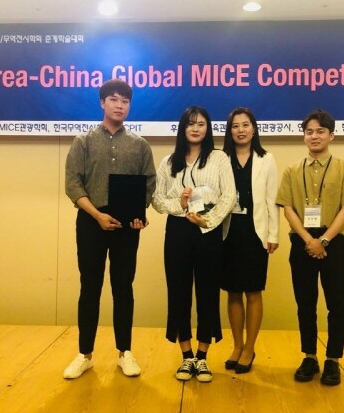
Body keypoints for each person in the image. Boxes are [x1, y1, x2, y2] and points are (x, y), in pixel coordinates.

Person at [63, 79, 156, 379]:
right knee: (89, 287)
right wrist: (97, 215)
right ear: (102, 102)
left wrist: (139, 214)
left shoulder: (140, 145)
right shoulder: (83, 141)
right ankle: (85, 354)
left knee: (123, 287)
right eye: (114, 99)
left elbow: (149, 184)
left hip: (127, 226)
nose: (119, 105)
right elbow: (73, 184)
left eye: (125, 101)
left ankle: (124, 353)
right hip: (91, 222)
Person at [275, 108, 344, 386]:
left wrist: (323, 240)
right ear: (304, 136)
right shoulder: (291, 171)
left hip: (335, 242)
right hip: (302, 242)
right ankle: (309, 356)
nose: (314, 136)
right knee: (305, 304)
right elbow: (287, 208)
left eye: (320, 131)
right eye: (309, 131)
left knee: (337, 305)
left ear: (331, 135)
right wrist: (308, 240)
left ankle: (333, 359)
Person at [152, 106, 236, 383]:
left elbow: (229, 196)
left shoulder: (219, 158)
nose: (196, 128)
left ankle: (202, 356)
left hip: (207, 230)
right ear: (183, 128)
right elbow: (157, 199)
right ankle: (186, 355)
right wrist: (181, 204)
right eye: (190, 124)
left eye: (201, 124)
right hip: (178, 230)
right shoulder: (169, 161)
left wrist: (207, 220)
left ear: (208, 128)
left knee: (208, 292)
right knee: (178, 291)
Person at [221, 107, 280, 374]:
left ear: (254, 129)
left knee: (253, 291)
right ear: (229, 131)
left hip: (255, 232)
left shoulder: (266, 159)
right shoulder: (220, 158)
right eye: (235, 126)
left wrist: (273, 234)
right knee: (233, 291)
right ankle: (237, 345)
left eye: (245, 125)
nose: (241, 130)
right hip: (228, 232)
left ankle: (250, 348)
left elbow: (272, 200)